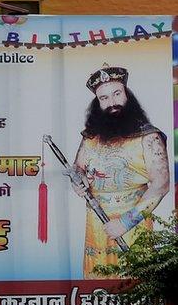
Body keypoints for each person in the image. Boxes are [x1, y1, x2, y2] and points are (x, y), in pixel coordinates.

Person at [72, 64, 170, 279]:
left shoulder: (149, 137)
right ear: (97, 104)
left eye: (117, 94)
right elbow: (77, 168)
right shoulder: (91, 137)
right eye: (104, 98)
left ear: (127, 96)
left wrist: (125, 223)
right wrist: (78, 181)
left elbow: (161, 185)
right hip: (97, 225)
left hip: (133, 226)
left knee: (134, 287)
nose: (112, 102)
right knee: (96, 290)